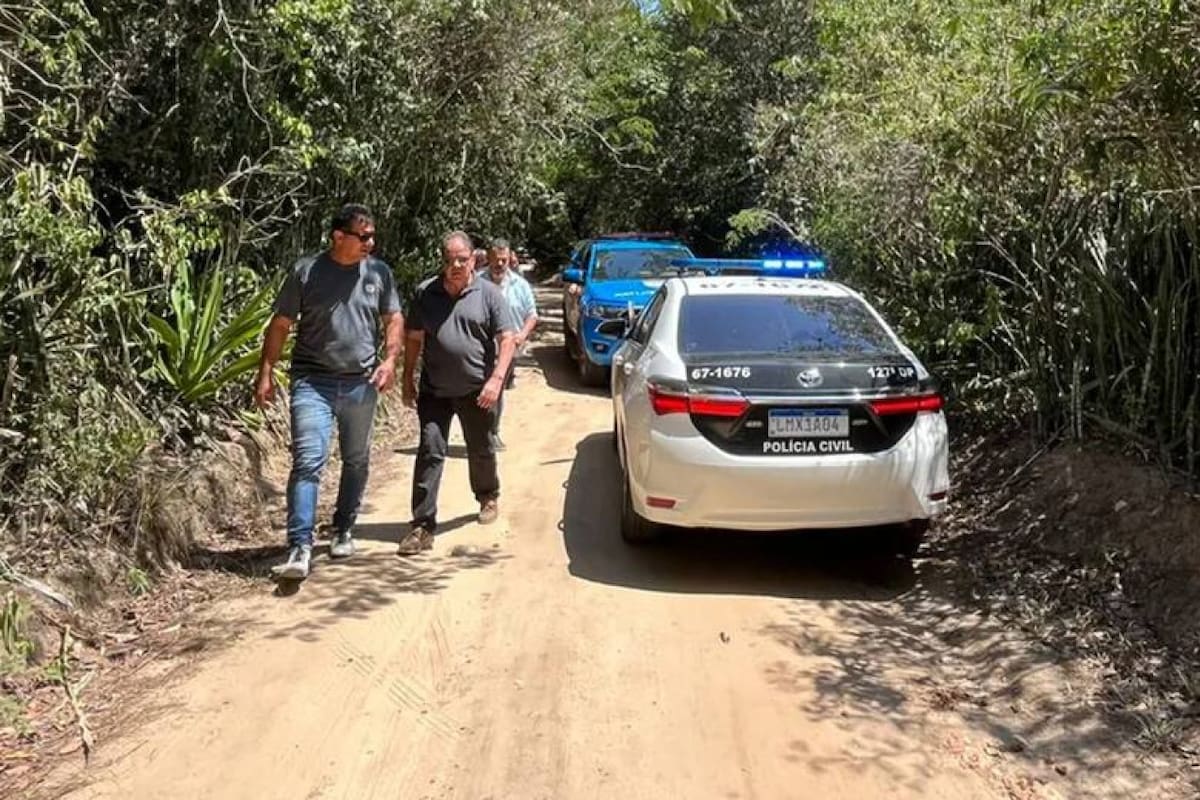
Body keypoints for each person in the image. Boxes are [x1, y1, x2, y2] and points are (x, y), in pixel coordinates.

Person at [255, 204, 402, 579]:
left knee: (356, 459)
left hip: (361, 382)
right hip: (312, 382)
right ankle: (299, 546)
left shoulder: (379, 272)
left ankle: (343, 528)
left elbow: (393, 318)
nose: (371, 242)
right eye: (363, 236)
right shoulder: (307, 271)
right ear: (339, 237)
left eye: (372, 235)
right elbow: (281, 323)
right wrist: (266, 372)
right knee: (308, 461)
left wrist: (390, 361)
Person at [399, 231, 517, 555]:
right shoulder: (426, 293)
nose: (454, 265)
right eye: (449, 260)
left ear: (473, 259)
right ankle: (422, 525)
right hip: (435, 390)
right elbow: (413, 338)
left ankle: (487, 495)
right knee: (430, 451)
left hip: (477, 391)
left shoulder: (489, 294)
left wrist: (496, 379)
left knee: (480, 449)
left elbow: (508, 339)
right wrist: (407, 377)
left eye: (461, 259)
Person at [478, 237, 538, 451]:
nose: (500, 264)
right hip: (480, 347)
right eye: (496, 260)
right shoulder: (476, 282)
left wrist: (522, 334)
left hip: (508, 348)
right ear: (488, 258)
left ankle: (492, 432)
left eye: (503, 260)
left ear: (510, 258)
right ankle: (481, 433)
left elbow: (532, 315)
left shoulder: (520, 285)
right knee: (481, 389)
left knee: (497, 388)